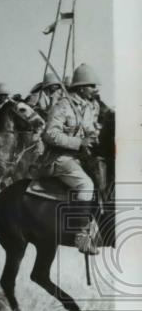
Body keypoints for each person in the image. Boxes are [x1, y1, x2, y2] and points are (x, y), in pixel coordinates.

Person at [42, 63, 103, 254]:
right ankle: (81, 234)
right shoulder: (63, 106)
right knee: (86, 185)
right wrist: (79, 142)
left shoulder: (92, 106)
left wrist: (96, 137)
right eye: (92, 86)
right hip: (61, 157)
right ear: (82, 87)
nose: (95, 89)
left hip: (82, 156)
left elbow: (92, 128)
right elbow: (50, 134)